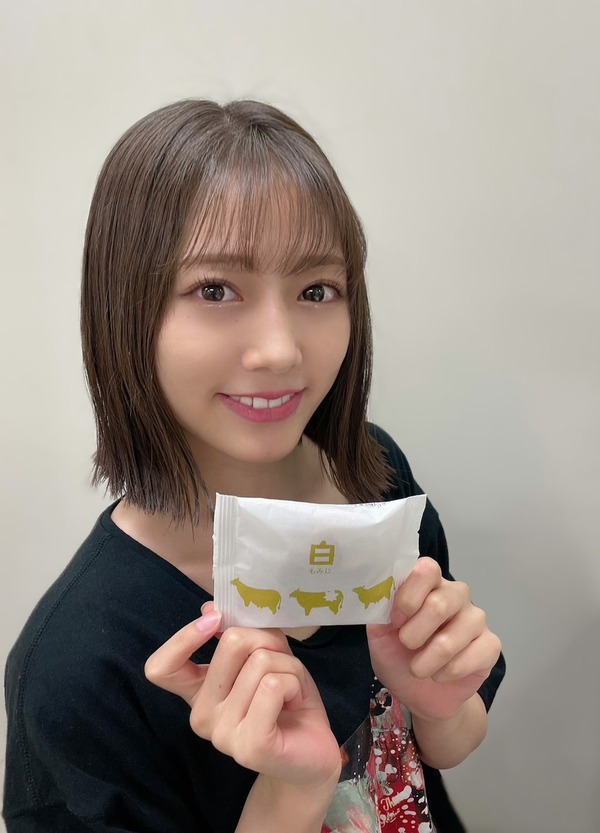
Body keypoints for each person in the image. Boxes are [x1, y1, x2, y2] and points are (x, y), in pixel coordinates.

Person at [2, 99, 504, 833]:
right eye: (215, 290)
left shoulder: (374, 476)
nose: (280, 349)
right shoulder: (77, 666)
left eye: (316, 290)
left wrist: (442, 703)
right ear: (125, 309)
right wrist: (292, 790)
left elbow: (443, 746)